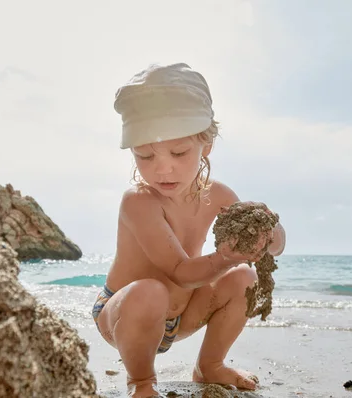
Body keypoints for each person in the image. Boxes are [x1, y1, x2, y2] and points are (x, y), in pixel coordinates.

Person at [91, 63, 286, 397]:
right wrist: (225, 256)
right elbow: (180, 272)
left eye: (179, 152)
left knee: (244, 277)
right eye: (145, 155)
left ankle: (209, 365)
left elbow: (274, 247)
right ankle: (141, 381)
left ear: (205, 144)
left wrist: (269, 230)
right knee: (150, 291)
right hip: (126, 313)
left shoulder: (220, 195)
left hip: (182, 316)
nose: (163, 167)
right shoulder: (139, 202)